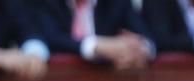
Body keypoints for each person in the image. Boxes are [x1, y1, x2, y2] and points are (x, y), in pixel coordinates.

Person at [20, 0, 155, 69]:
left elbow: (148, 38)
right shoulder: (46, 2)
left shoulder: (115, 2)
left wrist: (140, 50)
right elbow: (48, 37)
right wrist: (96, 46)